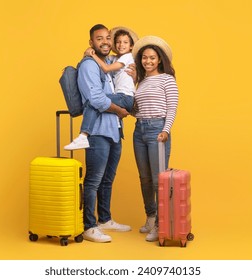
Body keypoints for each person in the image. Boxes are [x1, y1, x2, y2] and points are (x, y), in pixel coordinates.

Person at [78, 24, 132, 243]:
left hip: (114, 130)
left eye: (108, 38)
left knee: (108, 179)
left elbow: (123, 63)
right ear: (91, 43)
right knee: (94, 180)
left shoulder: (109, 62)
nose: (106, 42)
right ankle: (89, 226)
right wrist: (120, 110)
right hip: (99, 131)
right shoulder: (89, 66)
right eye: (99, 39)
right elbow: (96, 99)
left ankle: (105, 219)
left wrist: (135, 71)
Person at [131, 36, 179, 242]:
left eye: (152, 58)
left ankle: (160, 223)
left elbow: (172, 107)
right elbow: (136, 110)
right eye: (144, 58)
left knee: (158, 179)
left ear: (159, 60)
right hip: (139, 129)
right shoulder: (140, 82)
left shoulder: (167, 79)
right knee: (145, 178)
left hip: (157, 130)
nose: (147, 61)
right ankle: (150, 217)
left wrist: (166, 130)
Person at [64, 26, 138, 150]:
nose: (121, 45)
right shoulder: (113, 59)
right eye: (118, 42)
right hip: (104, 130)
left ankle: (83, 135)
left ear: (131, 46)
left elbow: (106, 68)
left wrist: (93, 55)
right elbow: (104, 61)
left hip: (124, 99)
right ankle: (84, 135)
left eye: (125, 42)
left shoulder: (127, 57)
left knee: (93, 101)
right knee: (95, 100)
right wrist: (88, 53)